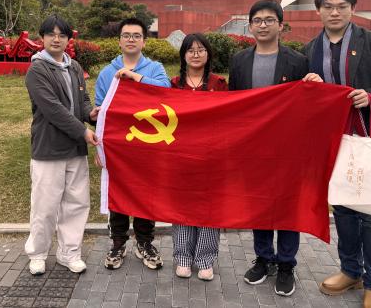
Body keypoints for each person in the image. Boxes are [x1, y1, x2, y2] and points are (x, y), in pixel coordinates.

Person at [306, 0, 371, 308]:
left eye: (341, 6)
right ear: (318, 11)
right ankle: (351, 271)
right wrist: (310, 86)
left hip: (369, 138)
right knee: (344, 211)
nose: (334, 12)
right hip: (334, 142)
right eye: (328, 6)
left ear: (352, 8)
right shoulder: (311, 49)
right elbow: (310, 100)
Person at [229, 0, 321, 297]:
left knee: (288, 205)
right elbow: (232, 103)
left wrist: (314, 83)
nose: (263, 25)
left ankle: (286, 264)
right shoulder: (239, 60)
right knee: (259, 204)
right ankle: (263, 258)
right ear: (250, 25)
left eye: (270, 20)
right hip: (252, 147)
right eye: (257, 20)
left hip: (288, 148)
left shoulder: (298, 61)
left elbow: (308, 105)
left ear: (281, 25)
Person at [24, 15, 99, 276]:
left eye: (62, 35)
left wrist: (91, 114)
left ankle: (70, 253)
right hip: (49, 149)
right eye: (51, 34)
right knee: (44, 207)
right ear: (42, 38)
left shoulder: (74, 66)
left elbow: (82, 100)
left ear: (68, 39)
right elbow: (53, 110)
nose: (56, 39)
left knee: (76, 204)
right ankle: (37, 254)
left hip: (75, 149)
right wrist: (83, 131)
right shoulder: (37, 70)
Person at [95, 17, 171, 270]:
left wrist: (135, 77)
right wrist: (99, 148)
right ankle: (118, 243)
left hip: (148, 145)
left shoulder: (155, 68)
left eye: (136, 36)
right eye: (126, 35)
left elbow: (166, 90)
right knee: (118, 193)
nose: (131, 40)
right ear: (119, 41)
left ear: (144, 41)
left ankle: (145, 242)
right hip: (118, 147)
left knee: (145, 194)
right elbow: (100, 112)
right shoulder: (107, 73)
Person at [170, 33, 227, 281]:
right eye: (190, 50)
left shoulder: (219, 84)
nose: (196, 54)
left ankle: (205, 259)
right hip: (181, 156)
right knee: (181, 206)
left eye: (201, 50)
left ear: (208, 54)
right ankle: (183, 257)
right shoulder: (173, 84)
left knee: (209, 207)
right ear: (183, 55)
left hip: (212, 156)